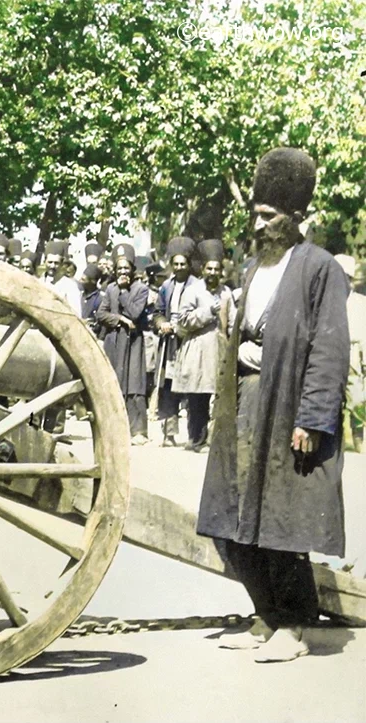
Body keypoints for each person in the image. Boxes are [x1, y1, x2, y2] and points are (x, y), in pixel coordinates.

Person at [199, 148, 350, 663]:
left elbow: (329, 349)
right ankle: (265, 614)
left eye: (270, 215)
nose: (259, 223)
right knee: (238, 518)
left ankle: (296, 624)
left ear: (296, 216)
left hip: (287, 407)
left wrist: (312, 417)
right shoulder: (252, 268)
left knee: (283, 521)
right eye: (256, 214)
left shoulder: (319, 269)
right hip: (243, 403)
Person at [169, 238, 228, 451]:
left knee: (217, 397)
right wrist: (206, 313)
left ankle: (213, 439)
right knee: (197, 397)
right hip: (197, 350)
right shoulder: (193, 291)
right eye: (209, 269)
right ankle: (196, 439)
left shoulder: (226, 292)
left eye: (216, 269)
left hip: (219, 350)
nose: (212, 272)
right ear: (202, 269)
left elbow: (231, 321)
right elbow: (182, 320)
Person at [153, 237, 205, 447]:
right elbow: (158, 312)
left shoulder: (198, 286)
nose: (179, 268)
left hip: (188, 341)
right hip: (169, 345)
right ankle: (169, 433)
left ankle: (196, 435)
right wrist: (162, 323)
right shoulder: (166, 286)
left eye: (183, 264)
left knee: (191, 387)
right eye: (175, 264)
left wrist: (182, 327)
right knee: (167, 387)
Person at [95, 244, 150, 444]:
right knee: (115, 382)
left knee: (134, 383)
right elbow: (101, 314)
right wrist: (120, 319)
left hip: (133, 342)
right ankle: (114, 429)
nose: (123, 272)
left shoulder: (141, 289)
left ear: (133, 269)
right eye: (120, 269)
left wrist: (125, 293)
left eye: (127, 268)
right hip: (114, 341)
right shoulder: (110, 289)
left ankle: (138, 431)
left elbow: (135, 313)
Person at [42, 241, 82, 316]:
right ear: (45, 262)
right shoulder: (39, 282)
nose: (52, 266)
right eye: (50, 262)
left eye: (56, 263)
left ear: (61, 264)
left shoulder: (70, 286)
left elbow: (76, 313)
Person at [80, 263, 103, 332]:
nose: (80, 281)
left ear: (93, 281)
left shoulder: (100, 299)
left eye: (83, 280)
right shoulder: (79, 294)